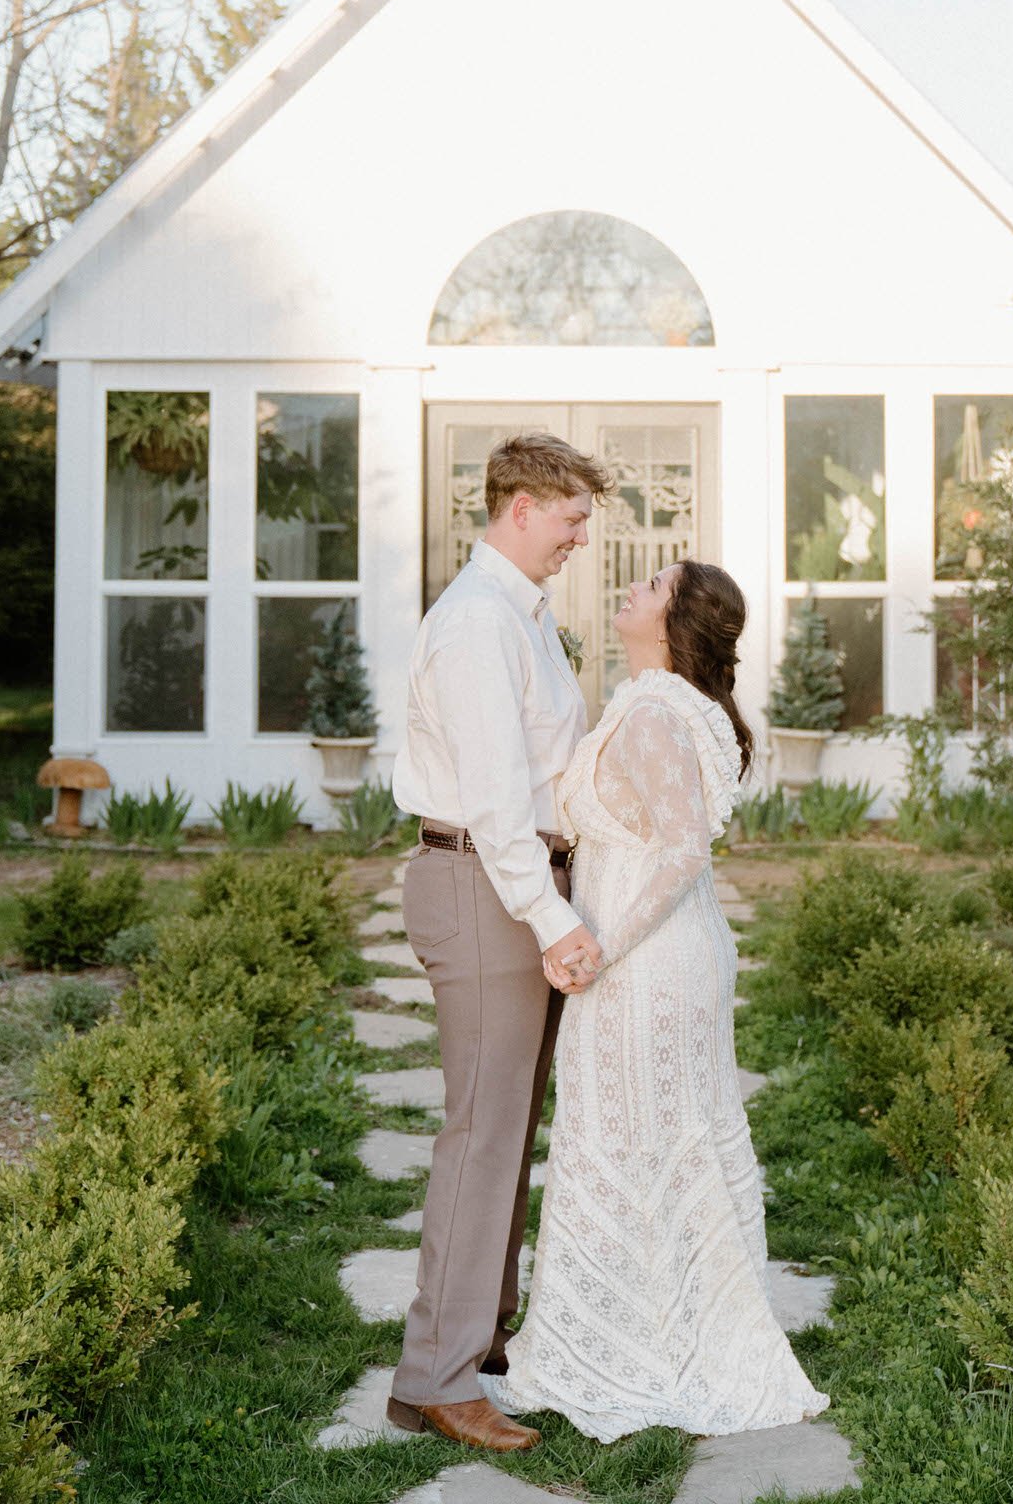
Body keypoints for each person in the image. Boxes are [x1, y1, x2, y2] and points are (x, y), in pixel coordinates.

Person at [495, 559, 831, 1440]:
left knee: (645, 1138)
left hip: (650, 961)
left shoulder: (653, 712)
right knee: (636, 1136)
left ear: (675, 618)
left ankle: (655, 1348)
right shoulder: (656, 701)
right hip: (653, 953)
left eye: (647, 584)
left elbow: (682, 852)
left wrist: (600, 944)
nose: (628, 588)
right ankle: (631, 1329)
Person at [386, 432, 613, 1452]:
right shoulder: (479, 622)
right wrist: (553, 916)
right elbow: (490, 802)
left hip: (508, 880)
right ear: (521, 505)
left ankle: (477, 1337)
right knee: (481, 1137)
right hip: (483, 884)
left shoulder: (519, 614)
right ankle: (436, 1375)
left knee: (506, 1129)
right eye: (570, 519)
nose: (577, 538)